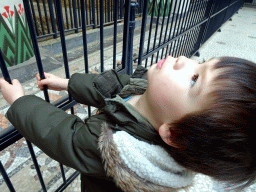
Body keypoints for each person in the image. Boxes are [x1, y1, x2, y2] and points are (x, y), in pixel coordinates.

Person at [0, 56, 256, 191]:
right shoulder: (153, 94)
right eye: (202, 62)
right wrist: (67, 83)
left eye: (194, 79)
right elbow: (112, 86)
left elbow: (64, 135)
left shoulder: (117, 148)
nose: (184, 60)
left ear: (174, 134)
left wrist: (20, 101)